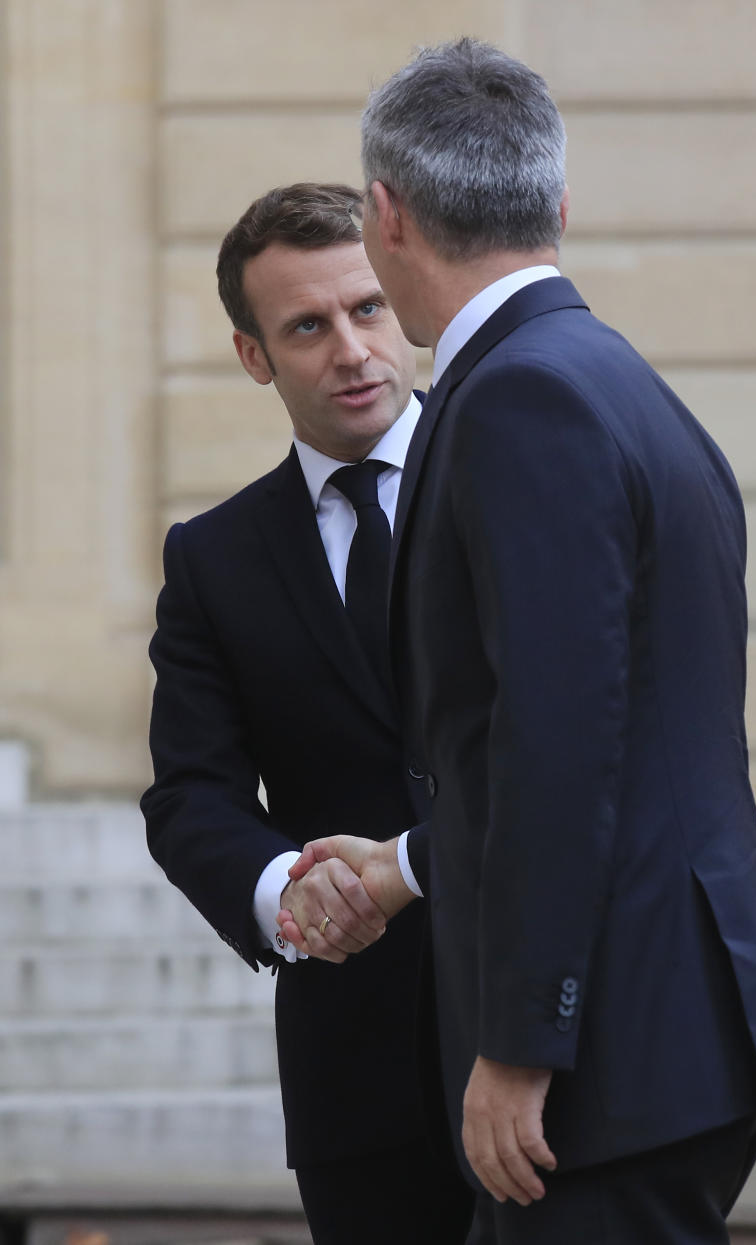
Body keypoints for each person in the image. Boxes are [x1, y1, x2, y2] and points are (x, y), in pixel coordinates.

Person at [282, 42, 756, 1244]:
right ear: (558, 204)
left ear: (386, 215)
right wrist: (410, 864)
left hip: (607, 1065)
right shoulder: (610, 377)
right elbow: (583, 731)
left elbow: (561, 744)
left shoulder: (521, 397)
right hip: (659, 1034)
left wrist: (526, 1041)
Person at [140, 182, 473, 1245]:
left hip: (550, 1033)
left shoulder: (514, 486)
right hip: (355, 1067)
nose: (352, 349)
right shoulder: (213, 559)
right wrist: (292, 888)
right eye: (307, 326)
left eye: (368, 309)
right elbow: (191, 792)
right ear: (255, 356)